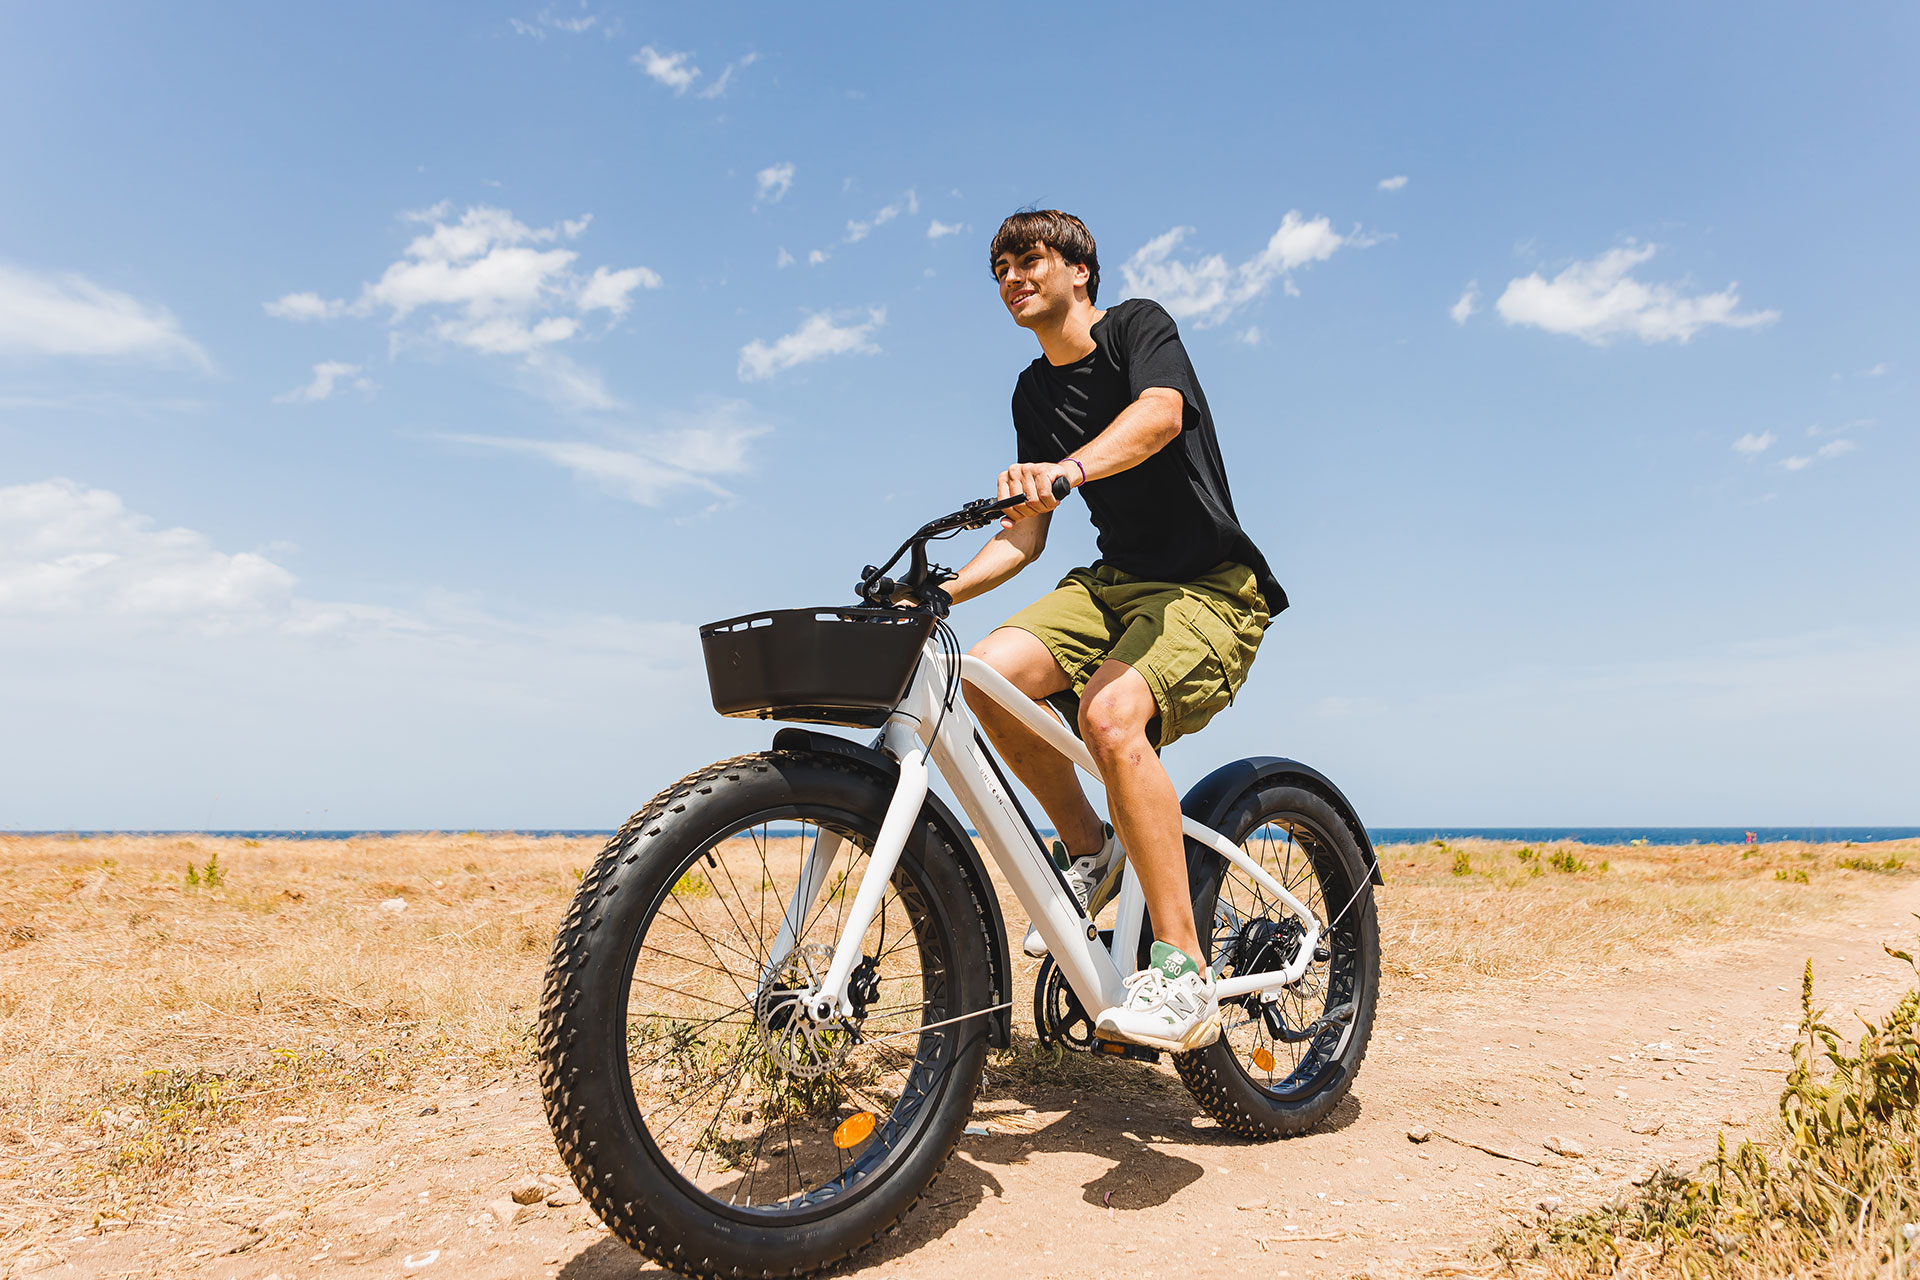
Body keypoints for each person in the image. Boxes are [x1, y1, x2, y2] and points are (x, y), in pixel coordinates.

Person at [941, 210, 1285, 1052]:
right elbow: (1026, 533)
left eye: (1029, 261)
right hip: (1116, 584)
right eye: (1000, 271)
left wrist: (1069, 468)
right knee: (986, 675)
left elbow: (1161, 417)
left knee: (1107, 715)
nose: (1013, 279)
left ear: (1079, 271)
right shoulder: (1031, 391)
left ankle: (1182, 971)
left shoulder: (1138, 326)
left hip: (1214, 586)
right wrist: (942, 590)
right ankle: (1092, 848)